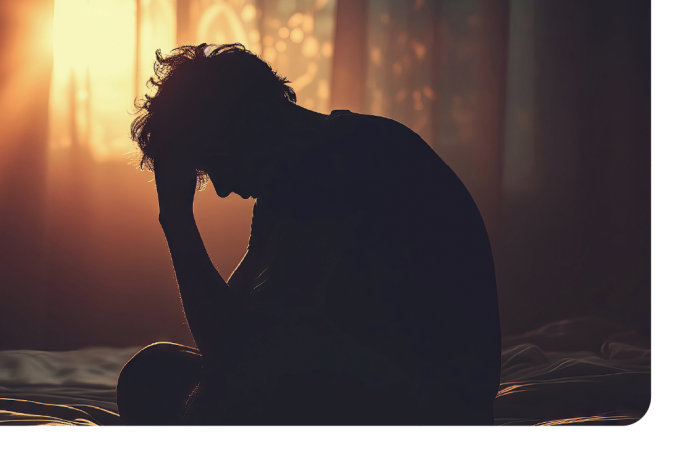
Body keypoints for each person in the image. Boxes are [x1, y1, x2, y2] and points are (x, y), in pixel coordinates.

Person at [116, 43, 501, 427]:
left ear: (245, 124)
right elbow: (227, 328)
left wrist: (178, 220)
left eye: (215, 163)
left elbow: (236, 351)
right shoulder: (292, 179)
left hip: (429, 403)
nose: (221, 188)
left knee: (217, 396)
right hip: (373, 377)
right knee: (153, 372)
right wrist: (175, 217)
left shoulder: (351, 157)